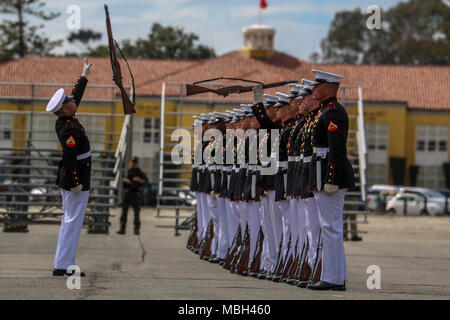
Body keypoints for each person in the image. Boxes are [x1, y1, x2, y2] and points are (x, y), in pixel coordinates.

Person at [307, 69, 355, 291]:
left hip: (331, 173)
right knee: (329, 226)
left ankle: (333, 278)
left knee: (330, 227)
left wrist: (331, 178)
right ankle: (336, 276)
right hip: (322, 170)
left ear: (328, 88)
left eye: (317, 86)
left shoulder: (333, 112)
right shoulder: (325, 111)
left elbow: (336, 149)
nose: (314, 89)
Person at [47, 58, 93, 277]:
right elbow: (69, 157)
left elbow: (77, 96)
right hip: (75, 179)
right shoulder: (69, 129)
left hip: (73, 178)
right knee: (73, 222)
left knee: (70, 221)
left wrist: (83, 76)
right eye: (69, 101)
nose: (73, 101)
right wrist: (76, 182)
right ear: (65, 110)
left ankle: (62, 262)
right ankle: (64, 265)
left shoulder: (66, 119)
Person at [117, 156, 148, 235]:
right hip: (127, 194)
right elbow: (122, 180)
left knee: (136, 213)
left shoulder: (139, 172)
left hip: (135, 194)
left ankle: (136, 229)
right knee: (124, 212)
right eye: (132, 162)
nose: (133, 164)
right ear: (130, 163)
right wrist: (125, 180)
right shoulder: (127, 172)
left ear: (136, 163)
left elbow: (146, 181)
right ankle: (122, 228)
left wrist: (139, 180)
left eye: (135, 162)